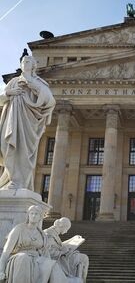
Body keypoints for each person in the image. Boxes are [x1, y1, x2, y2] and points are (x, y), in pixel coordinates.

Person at [0, 55, 56, 190]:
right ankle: (12, 179)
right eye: (23, 62)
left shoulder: (38, 82)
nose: (25, 63)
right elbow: (1, 100)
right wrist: (9, 93)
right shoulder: (13, 82)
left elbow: (50, 100)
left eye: (28, 62)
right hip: (13, 120)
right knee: (8, 147)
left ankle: (20, 182)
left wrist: (32, 84)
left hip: (28, 122)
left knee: (24, 151)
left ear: (33, 66)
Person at [0, 205, 56, 283]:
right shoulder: (19, 229)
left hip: (37, 259)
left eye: (36, 214)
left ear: (40, 217)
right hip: (20, 256)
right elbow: (6, 250)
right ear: (28, 215)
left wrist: (50, 263)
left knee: (52, 265)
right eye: (31, 213)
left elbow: (45, 252)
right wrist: (1, 270)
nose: (33, 216)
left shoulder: (42, 234)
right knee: (24, 258)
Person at [44, 217, 89, 283]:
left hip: (62, 257)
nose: (66, 231)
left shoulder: (54, 233)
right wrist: (62, 252)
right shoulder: (49, 234)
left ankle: (81, 280)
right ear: (62, 226)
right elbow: (49, 252)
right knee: (83, 258)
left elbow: (60, 245)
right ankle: (82, 281)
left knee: (83, 258)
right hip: (58, 259)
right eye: (67, 229)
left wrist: (73, 239)